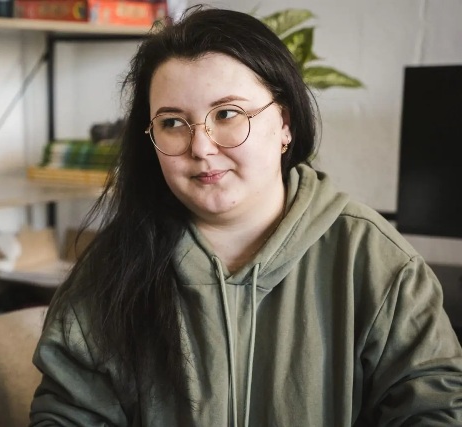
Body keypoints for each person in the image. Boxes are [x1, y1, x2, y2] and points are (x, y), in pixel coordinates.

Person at [29, 6, 462, 426]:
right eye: (173, 123)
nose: (201, 147)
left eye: (227, 114)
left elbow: (434, 409)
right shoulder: (112, 267)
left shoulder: (375, 262)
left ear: (285, 123)